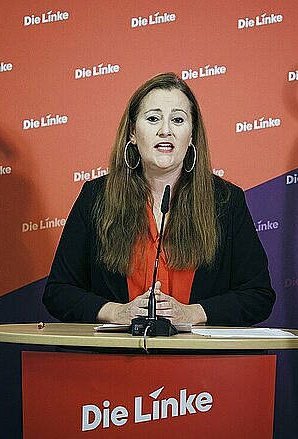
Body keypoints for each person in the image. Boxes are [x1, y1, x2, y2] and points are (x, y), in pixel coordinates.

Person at [43, 73, 275, 326]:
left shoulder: (227, 201)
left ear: (191, 134)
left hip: (199, 361)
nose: (166, 130)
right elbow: (58, 292)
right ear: (132, 132)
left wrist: (192, 313)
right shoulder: (96, 197)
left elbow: (258, 296)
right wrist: (117, 312)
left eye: (177, 120)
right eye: (153, 118)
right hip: (114, 358)